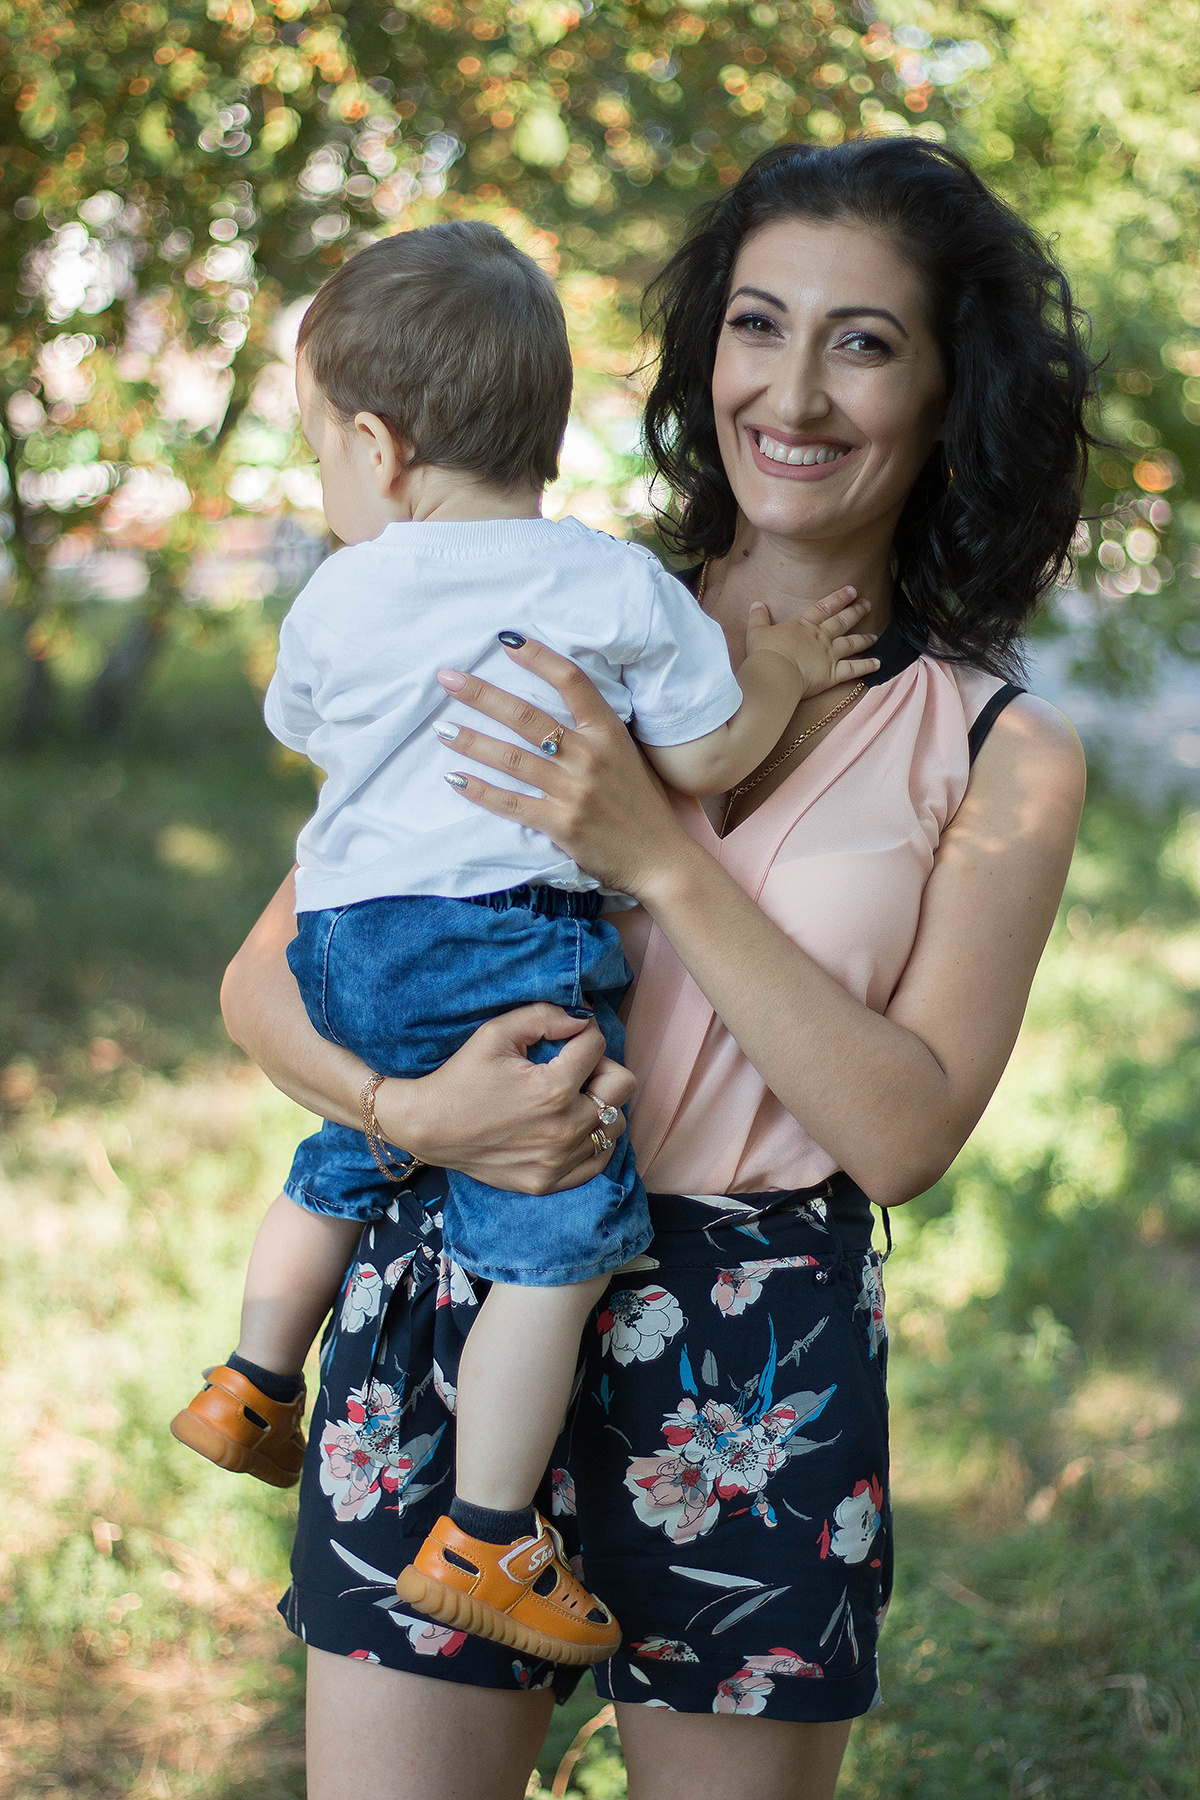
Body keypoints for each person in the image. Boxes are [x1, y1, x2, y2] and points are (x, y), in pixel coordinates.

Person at [217, 139, 1091, 1799]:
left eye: (863, 342)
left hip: (751, 1367)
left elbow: (904, 1133)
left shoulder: (998, 747)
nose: (795, 392)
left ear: (947, 391)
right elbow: (264, 979)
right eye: (760, 324)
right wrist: (409, 1110)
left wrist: (662, 856)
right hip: (458, 1285)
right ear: (707, 354)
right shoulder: (562, 611)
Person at [170, 218, 879, 1667]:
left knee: (347, 1150)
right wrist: (782, 670)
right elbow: (706, 757)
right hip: (505, 946)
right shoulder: (604, 582)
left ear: (377, 449)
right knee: (553, 1230)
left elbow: (305, 724)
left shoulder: (339, 590)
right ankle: (488, 1534)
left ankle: (250, 1377)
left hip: (346, 944)